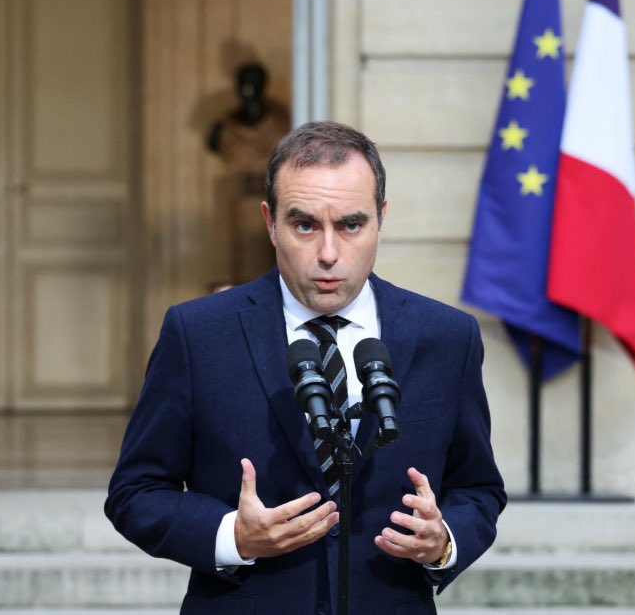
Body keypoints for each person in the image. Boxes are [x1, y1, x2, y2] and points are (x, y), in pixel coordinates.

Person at [105, 121, 505, 614]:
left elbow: (479, 488)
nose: (329, 254)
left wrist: (442, 541)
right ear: (270, 222)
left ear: (382, 217)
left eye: (351, 225)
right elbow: (135, 493)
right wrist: (234, 535)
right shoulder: (197, 335)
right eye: (305, 225)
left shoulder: (449, 337)